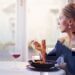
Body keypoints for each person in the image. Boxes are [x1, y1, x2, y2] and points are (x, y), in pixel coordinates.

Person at [30, 3, 75, 75]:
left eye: (60, 18)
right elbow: (48, 59)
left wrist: (64, 67)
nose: (58, 22)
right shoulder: (62, 42)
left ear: (70, 21)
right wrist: (41, 50)